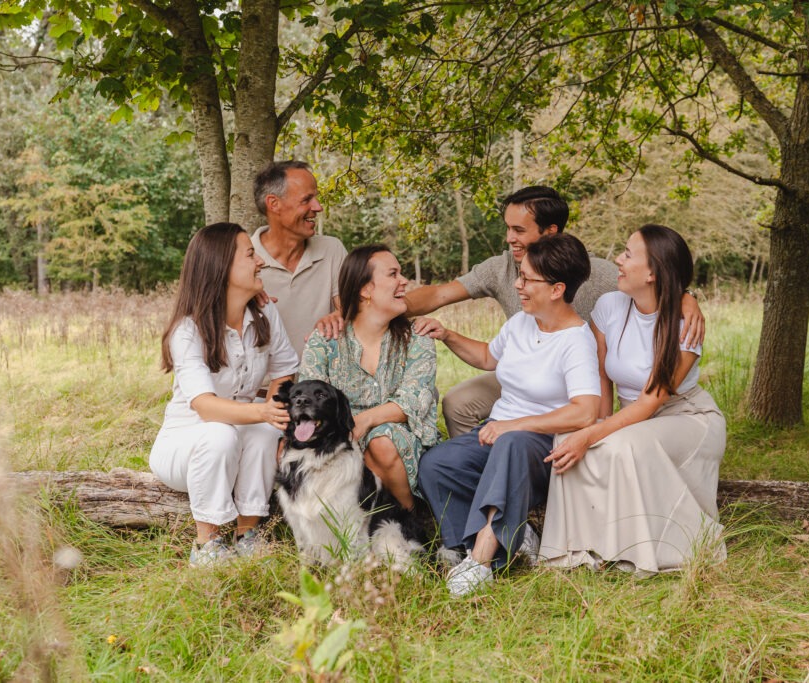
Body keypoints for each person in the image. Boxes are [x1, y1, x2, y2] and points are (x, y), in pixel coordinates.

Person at [316, 185, 704, 437]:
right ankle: (478, 468)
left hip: (571, 381)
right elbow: (437, 296)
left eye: (519, 231)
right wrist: (361, 310)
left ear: (550, 233)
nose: (509, 238)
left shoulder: (597, 272)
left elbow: (654, 283)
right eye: (507, 228)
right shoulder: (498, 267)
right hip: (520, 369)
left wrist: (686, 298)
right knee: (457, 402)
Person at [417, 233, 601, 597]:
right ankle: (483, 544)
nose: (518, 284)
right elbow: (489, 357)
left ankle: (483, 561)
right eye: (520, 274)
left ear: (556, 289)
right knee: (436, 464)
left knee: (512, 444)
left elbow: (585, 412)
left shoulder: (576, 340)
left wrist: (512, 425)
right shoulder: (521, 323)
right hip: (503, 433)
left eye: (527, 278)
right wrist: (448, 334)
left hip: (545, 445)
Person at [539, 224, 727, 576]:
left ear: (653, 271)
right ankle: (577, 550)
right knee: (568, 439)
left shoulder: (685, 323)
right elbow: (602, 375)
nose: (618, 260)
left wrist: (593, 435)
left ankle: (659, 549)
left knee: (619, 444)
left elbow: (650, 402)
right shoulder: (610, 305)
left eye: (628, 254)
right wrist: (594, 423)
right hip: (632, 417)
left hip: (686, 417)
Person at [150, 223, 299, 567]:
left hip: (239, 436)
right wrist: (264, 412)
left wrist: (272, 412)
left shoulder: (263, 313)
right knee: (221, 433)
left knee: (263, 430)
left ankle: (247, 533)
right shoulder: (188, 329)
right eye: (250, 254)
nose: (260, 261)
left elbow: (284, 370)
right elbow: (204, 405)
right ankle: (207, 544)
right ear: (221, 267)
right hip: (185, 443)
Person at [299, 245, 440, 511]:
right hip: (338, 435)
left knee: (381, 441)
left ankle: (409, 519)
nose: (404, 281)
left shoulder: (417, 338)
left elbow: (414, 399)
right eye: (393, 274)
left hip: (399, 438)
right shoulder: (326, 339)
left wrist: (364, 421)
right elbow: (309, 398)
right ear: (365, 289)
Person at [252, 160, 348, 356]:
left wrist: (341, 316)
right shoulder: (241, 259)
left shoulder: (332, 249)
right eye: (306, 200)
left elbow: (351, 310)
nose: (318, 207)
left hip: (322, 384)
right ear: (274, 204)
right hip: (264, 386)